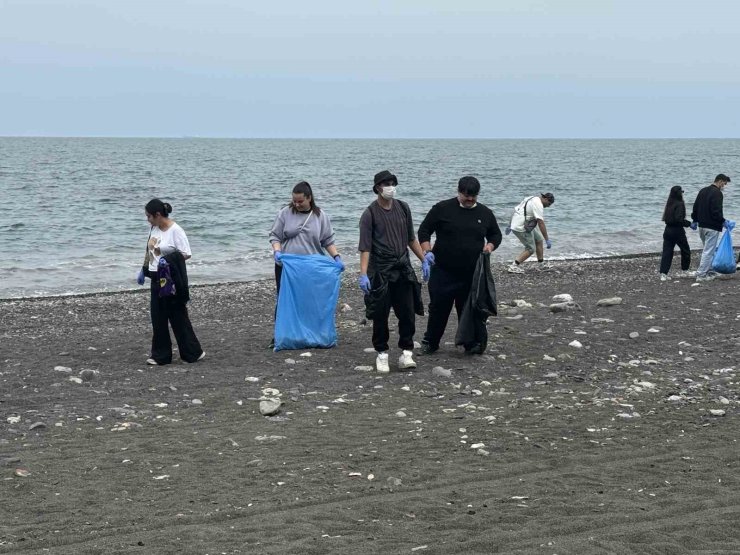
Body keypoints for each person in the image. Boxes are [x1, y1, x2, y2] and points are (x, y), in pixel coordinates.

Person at [417, 176, 502, 355]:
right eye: (466, 196)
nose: (470, 199)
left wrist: (490, 246)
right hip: (443, 270)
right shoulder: (442, 209)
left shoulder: (485, 213)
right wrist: (427, 251)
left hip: (471, 272)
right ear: (459, 192)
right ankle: (430, 342)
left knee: (468, 309)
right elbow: (424, 230)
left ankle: (469, 343)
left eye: (474, 196)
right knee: (439, 308)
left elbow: (496, 234)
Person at [358, 170, 425, 373]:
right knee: (380, 314)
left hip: (402, 268)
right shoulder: (369, 214)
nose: (390, 187)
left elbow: (410, 238)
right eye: (386, 183)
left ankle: (406, 353)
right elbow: (365, 247)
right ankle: (382, 354)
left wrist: (424, 259)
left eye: (392, 183)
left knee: (407, 312)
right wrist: (363, 274)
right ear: (378, 187)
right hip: (380, 270)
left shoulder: (403, 208)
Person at [268, 181, 344, 348]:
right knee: (284, 300)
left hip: (311, 268)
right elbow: (275, 236)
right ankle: (281, 335)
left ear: (309, 198)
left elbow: (327, 240)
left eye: (300, 201)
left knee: (311, 301)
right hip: (287, 267)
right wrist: (277, 251)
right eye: (294, 201)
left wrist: (336, 257)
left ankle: (312, 334)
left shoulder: (320, 216)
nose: (296, 204)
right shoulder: (285, 213)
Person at [142, 199, 205, 366]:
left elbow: (186, 253)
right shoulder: (154, 229)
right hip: (156, 276)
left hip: (170, 277)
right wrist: (144, 269)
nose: (147, 220)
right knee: (158, 316)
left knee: (177, 316)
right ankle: (160, 355)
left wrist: (167, 258)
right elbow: (149, 249)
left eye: (149, 216)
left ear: (158, 215)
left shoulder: (176, 231)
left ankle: (192, 352)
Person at [691, 174, 732, 282]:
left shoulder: (703, 191)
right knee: (708, 251)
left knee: (707, 249)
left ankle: (708, 270)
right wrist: (723, 221)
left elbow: (695, 207)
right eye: (724, 183)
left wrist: (694, 219)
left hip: (702, 226)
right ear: (719, 181)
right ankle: (701, 274)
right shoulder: (717, 193)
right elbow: (716, 211)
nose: (724, 186)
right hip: (712, 227)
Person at [506, 192, 555, 273]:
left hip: (524, 223)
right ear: (545, 199)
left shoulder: (532, 198)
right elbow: (541, 223)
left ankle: (541, 264)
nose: (548, 206)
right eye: (549, 203)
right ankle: (513, 266)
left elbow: (516, 210)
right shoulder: (538, 204)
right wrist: (547, 239)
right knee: (531, 249)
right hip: (520, 227)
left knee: (539, 239)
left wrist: (509, 224)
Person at [659, 186, 692, 281]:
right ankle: (685, 270)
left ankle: (663, 273)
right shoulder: (680, 204)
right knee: (685, 250)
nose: (682, 194)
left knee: (667, 252)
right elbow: (679, 219)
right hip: (677, 231)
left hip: (667, 230)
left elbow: (669, 218)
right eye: (681, 192)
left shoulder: (669, 203)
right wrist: (689, 224)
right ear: (679, 193)